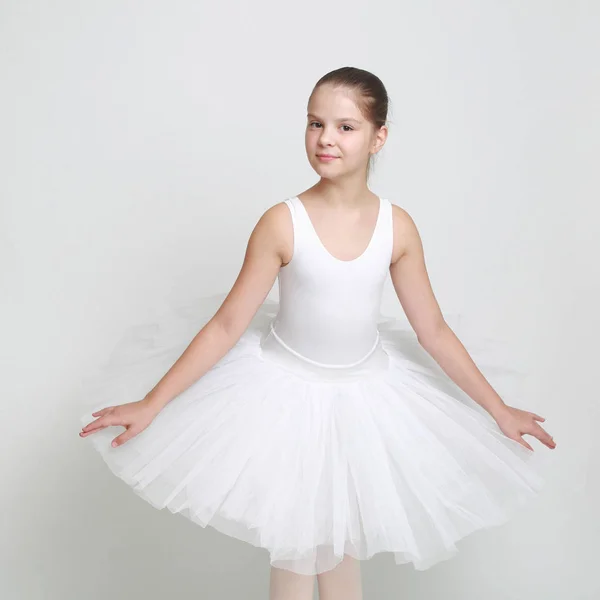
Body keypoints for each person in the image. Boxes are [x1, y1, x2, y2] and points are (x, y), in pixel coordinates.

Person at [79, 66, 556, 600]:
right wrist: (153, 402)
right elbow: (226, 325)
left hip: (365, 399)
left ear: (379, 137)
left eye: (345, 127)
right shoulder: (283, 222)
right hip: (286, 397)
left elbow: (435, 331)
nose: (325, 138)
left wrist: (499, 409)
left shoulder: (396, 227)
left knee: (340, 549)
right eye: (314, 123)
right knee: (299, 553)